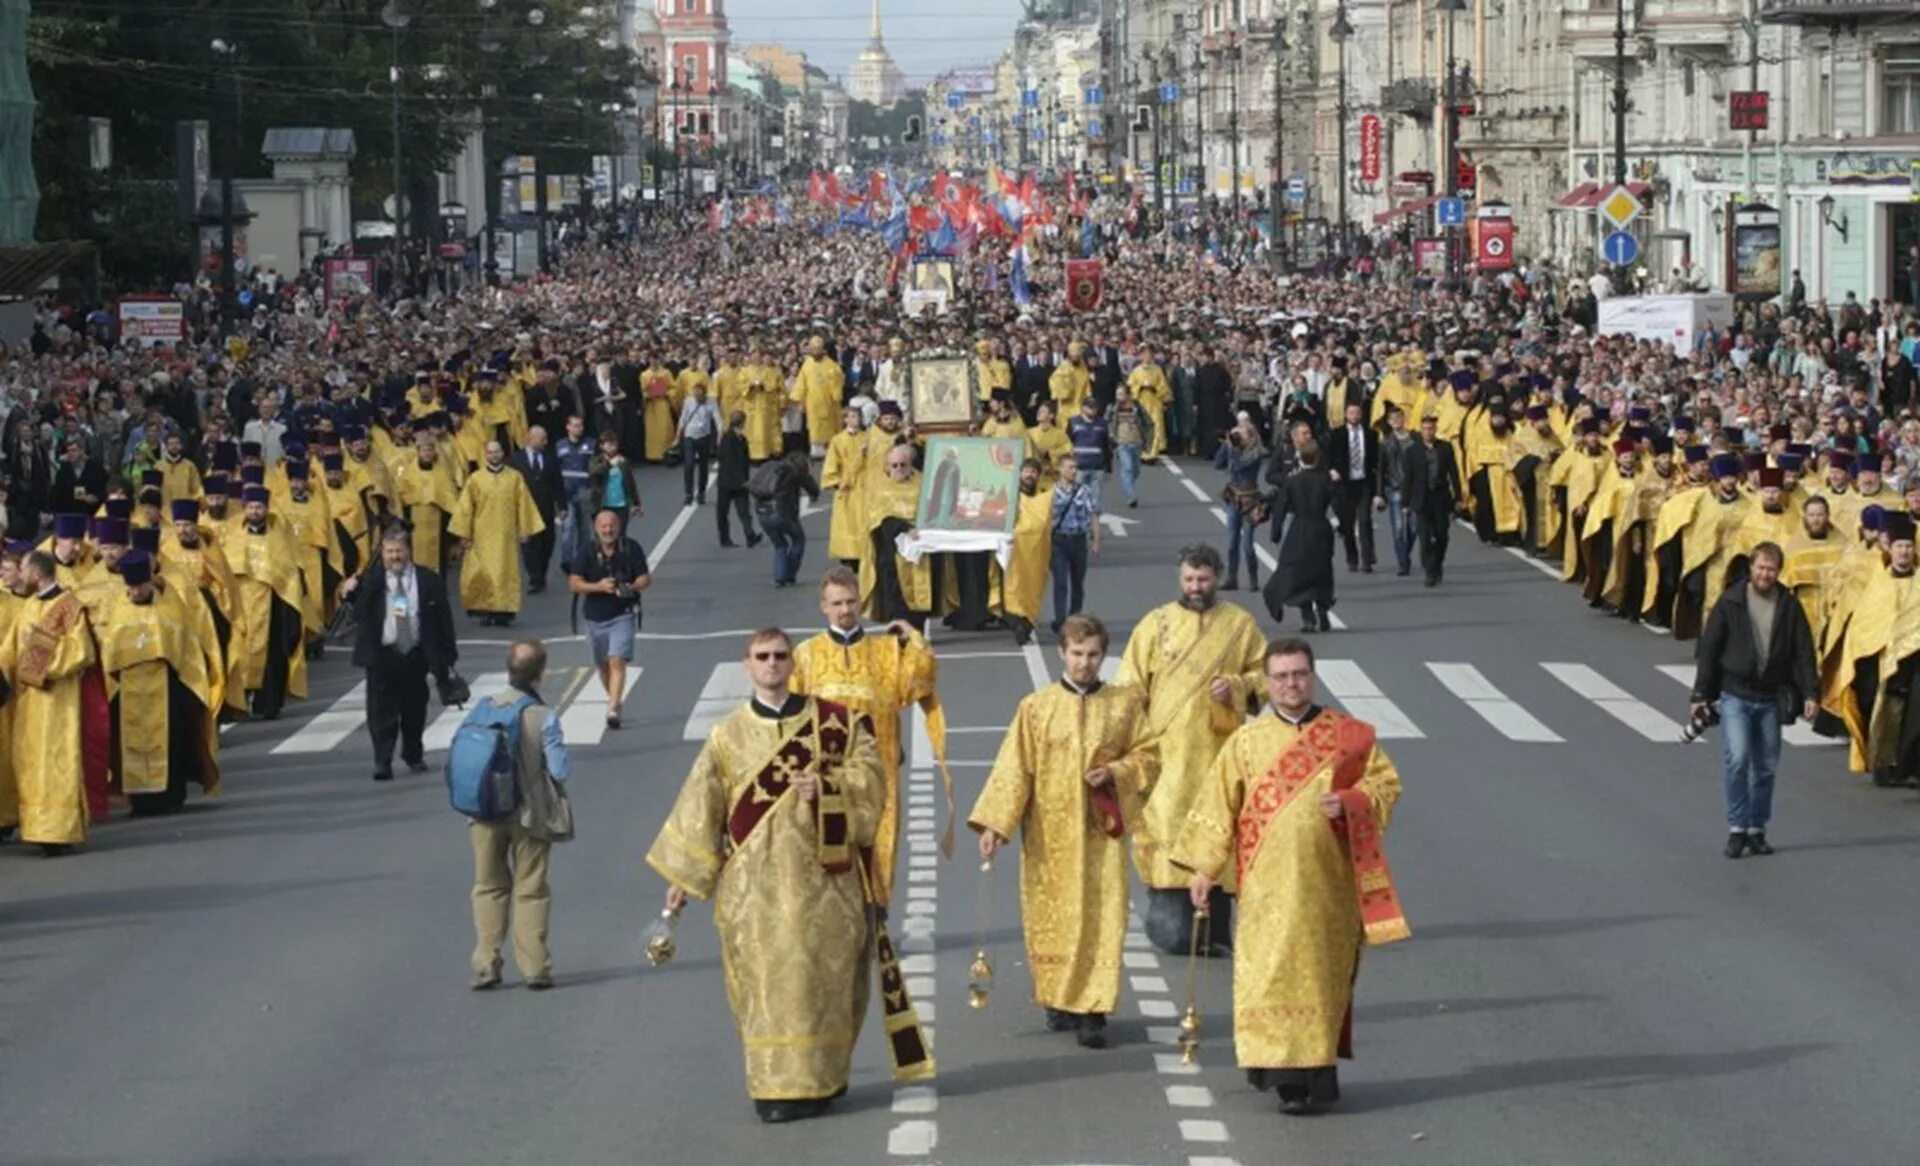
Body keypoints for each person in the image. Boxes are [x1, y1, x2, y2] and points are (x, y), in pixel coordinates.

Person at [648, 628, 933, 1124]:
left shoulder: (837, 725)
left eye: (781, 656)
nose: (773, 664)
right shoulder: (727, 735)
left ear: (791, 664)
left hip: (826, 884)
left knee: (827, 984)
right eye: (763, 657)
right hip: (754, 893)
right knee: (765, 989)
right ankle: (773, 1089)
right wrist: (685, 878)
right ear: (748, 665)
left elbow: (873, 784)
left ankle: (824, 1079)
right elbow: (702, 809)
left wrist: (825, 786)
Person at [1173, 637, 1408, 1116]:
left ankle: (1315, 1077)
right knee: (1267, 977)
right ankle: (1280, 1077)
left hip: (1328, 888)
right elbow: (1219, 805)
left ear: (1312, 675)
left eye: (1298, 674)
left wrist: (1350, 803)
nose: (1290, 684)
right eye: (1280, 676)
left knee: (1320, 979)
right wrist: (1204, 867)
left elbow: (1385, 786)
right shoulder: (1246, 742)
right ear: (1268, 681)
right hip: (1263, 888)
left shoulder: (1348, 735)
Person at [971, 613, 1156, 1049]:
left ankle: (1094, 1009)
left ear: (1103, 655)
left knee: (1101, 918)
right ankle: (1057, 999)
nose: (1085, 663)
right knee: (1050, 918)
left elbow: (1150, 756)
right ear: (1062, 653)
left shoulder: (1124, 705)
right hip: (1049, 837)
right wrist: (997, 825)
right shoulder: (1036, 708)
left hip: (1099, 837)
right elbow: (1016, 770)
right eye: (1077, 654)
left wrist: (1114, 770)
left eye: (1093, 655)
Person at [1116, 543, 1267, 955]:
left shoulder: (1240, 625)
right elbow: (1129, 685)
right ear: (1179, 578)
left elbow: (1265, 676)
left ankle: (1216, 931)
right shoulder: (1156, 624)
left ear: (1216, 577)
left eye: (1203, 579)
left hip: (1221, 755)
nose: (1195, 587)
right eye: (1188, 579)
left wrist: (1237, 687)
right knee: (1167, 832)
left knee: (1219, 833)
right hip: (1167, 757)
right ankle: (1170, 927)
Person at [790, 567, 949, 905]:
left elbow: (917, 684)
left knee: (881, 839)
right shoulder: (805, 654)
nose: (845, 610)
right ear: (824, 606)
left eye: (851, 601)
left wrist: (913, 640)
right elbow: (792, 716)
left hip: (879, 766)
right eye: (837, 603)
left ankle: (877, 912)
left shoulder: (886, 651)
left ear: (861, 602)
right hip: (826, 773)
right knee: (828, 842)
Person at [1690, 540, 1819, 858]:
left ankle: (1756, 828)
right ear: (1751, 568)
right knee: (1737, 758)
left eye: (1771, 569)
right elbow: (1710, 648)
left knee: (1765, 767)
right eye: (1761, 567)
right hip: (1735, 693)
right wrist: (1700, 694)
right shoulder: (1731, 601)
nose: (1765, 574)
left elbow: (1804, 652)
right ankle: (1737, 828)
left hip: (1770, 697)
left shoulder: (1789, 605)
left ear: (1779, 572)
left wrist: (1811, 692)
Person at [467, 640, 572, 992]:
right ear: (540, 675)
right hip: (530, 815)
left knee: (488, 886)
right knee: (530, 889)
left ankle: (486, 963)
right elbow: (559, 770)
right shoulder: (543, 715)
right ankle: (534, 966)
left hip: (484, 812)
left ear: (508, 670)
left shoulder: (484, 707)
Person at [98, 550, 220, 816]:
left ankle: (171, 796)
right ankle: (140, 801)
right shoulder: (118, 608)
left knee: (171, 741)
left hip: (166, 686)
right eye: (130, 587)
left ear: (150, 581)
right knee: (132, 743)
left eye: (139, 586)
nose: (135, 592)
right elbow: (110, 648)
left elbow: (185, 646)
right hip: (129, 686)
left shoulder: (170, 605)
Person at [0, 550, 101, 855]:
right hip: (28, 701)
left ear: (38, 573)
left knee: (56, 762)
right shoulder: (29, 606)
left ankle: (60, 831)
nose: (22, 574)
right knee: (30, 763)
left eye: (25, 569)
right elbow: (10, 650)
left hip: (58, 701)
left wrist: (41, 665)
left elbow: (81, 650)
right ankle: (36, 828)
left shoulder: (69, 607)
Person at [343, 526, 459, 782]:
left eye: (399, 550)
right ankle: (382, 760)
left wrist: (447, 655)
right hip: (383, 654)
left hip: (415, 654)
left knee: (414, 709)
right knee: (380, 712)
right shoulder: (372, 581)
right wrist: (351, 591)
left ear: (409, 551)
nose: (394, 556)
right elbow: (359, 613)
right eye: (389, 551)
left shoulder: (428, 580)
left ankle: (413, 753)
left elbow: (443, 619)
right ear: (382, 553)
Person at [220, 484, 311, 719]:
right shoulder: (233, 537)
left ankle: (268, 704)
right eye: (251, 506)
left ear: (266, 508)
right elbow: (225, 572)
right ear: (244, 508)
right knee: (239, 654)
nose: (255, 511)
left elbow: (288, 573)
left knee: (271, 657)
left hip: (270, 604)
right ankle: (238, 703)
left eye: (259, 507)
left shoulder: (277, 537)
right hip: (241, 605)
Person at [566, 509, 650, 731]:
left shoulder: (631, 547)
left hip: (622, 614)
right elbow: (574, 583)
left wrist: (632, 587)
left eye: (611, 525)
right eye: (603, 526)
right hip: (594, 617)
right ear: (596, 528)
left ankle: (612, 708)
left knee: (617, 660)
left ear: (618, 526)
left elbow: (645, 576)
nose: (608, 530)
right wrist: (599, 587)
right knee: (603, 666)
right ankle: (616, 699)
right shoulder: (586, 550)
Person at [450, 440, 547, 627]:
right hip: (482, 534)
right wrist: (463, 534)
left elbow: (524, 504)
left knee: (505, 572)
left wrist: (526, 529)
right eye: (490, 452)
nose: (494, 455)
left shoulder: (515, 477)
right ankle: (485, 608)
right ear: (485, 455)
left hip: (506, 534)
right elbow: (465, 508)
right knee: (482, 572)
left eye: (497, 451)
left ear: (502, 453)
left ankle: (504, 610)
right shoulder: (476, 479)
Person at [1264, 437, 1338, 632]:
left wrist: (1276, 532)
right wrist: (1344, 528)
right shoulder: (1325, 480)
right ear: (1318, 457)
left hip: (1299, 528)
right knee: (1322, 571)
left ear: (1300, 457)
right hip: (1321, 528)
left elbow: (1280, 507)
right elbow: (1339, 505)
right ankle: (1323, 610)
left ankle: (1307, 617)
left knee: (1298, 571)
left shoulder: (1293, 481)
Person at [1404, 412, 1460, 587]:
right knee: (1425, 537)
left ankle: (1437, 564)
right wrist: (1406, 503)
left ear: (1435, 429)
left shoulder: (1445, 448)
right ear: (1421, 431)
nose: (1428, 432)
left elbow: (1454, 474)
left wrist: (1458, 497)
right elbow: (1408, 478)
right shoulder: (1412, 451)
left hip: (1441, 496)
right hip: (1422, 498)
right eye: (1425, 429)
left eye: (1431, 429)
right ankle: (1429, 571)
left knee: (1442, 534)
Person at [1049, 454, 1100, 635]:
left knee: (1078, 582)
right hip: (1059, 540)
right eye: (1069, 467)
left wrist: (1096, 540)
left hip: (1078, 540)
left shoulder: (1084, 491)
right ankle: (1060, 619)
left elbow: (1093, 513)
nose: (1073, 471)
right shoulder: (1052, 492)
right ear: (1060, 469)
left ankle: (1074, 617)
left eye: (1075, 467)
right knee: (1060, 582)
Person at [1214, 418, 1267, 591]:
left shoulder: (1256, 454)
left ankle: (1253, 577)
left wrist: (1234, 450)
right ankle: (1232, 577)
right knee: (1231, 541)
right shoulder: (1232, 448)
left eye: (1240, 433)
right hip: (1233, 498)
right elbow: (1217, 464)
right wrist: (1226, 446)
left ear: (1250, 436)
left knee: (1247, 544)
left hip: (1250, 500)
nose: (1237, 436)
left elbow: (1237, 468)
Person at [1326, 401, 1379, 573]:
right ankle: (1352, 557)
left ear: (1361, 414)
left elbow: (1376, 460)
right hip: (1345, 484)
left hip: (1363, 481)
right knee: (1347, 524)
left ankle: (1367, 558)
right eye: (1351, 412)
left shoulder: (1371, 435)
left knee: (1364, 521)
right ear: (1346, 414)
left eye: (1357, 412)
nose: (1354, 416)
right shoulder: (1337, 434)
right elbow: (1328, 457)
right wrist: (1332, 470)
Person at [757, 450, 820, 588]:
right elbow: (813, 488)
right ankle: (789, 574)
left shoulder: (773, 467)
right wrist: (814, 495)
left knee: (780, 545)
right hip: (781, 513)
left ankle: (780, 577)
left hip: (762, 513)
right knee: (798, 539)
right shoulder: (796, 471)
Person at [513, 425, 563, 594]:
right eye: (542, 439)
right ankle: (535, 578)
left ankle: (542, 571)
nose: (545, 442)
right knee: (530, 545)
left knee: (547, 543)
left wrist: (561, 506)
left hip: (546, 508)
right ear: (531, 438)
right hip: (526, 510)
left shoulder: (550, 458)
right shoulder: (516, 459)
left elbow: (558, 483)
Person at [1378, 404, 1418, 577]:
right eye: (1392, 419)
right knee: (1399, 527)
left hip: (1415, 488)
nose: (1396, 421)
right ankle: (1403, 562)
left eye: (1399, 418)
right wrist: (1379, 493)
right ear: (1388, 421)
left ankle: (1405, 552)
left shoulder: (1415, 439)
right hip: (1395, 487)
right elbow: (1380, 469)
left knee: (1414, 527)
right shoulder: (1386, 443)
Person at [714, 410, 761, 550]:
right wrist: (743, 479)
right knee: (723, 512)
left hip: (734, 482)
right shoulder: (729, 438)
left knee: (744, 512)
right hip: (729, 482)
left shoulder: (738, 438)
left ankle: (750, 535)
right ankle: (725, 538)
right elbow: (730, 461)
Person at [672, 375, 721, 506]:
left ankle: (701, 493)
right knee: (689, 465)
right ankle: (688, 493)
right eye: (696, 396)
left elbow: (717, 419)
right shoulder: (688, 401)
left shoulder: (711, 402)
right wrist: (677, 437)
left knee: (704, 466)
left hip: (705, 436)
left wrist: (720, 437)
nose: (697, 398)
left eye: (700, 396)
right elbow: (683, 418)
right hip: (690, 436)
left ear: (705, 394)